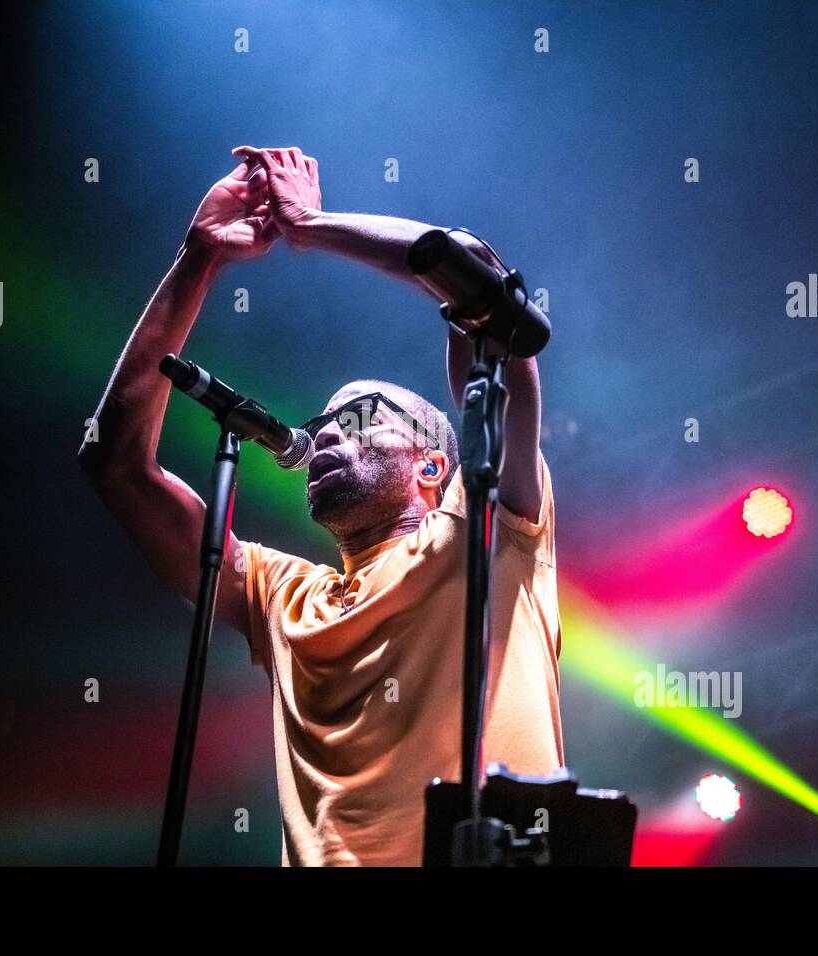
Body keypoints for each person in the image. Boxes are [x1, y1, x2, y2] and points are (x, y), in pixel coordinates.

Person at [80, 145, 564, 866]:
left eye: (362, 415)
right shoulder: (284, 595)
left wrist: (308, 225)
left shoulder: (483, 528)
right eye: (323, 420)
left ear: (435, 465)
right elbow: (114, 463)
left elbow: (477, 284)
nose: (328, 430)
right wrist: (198, 257)